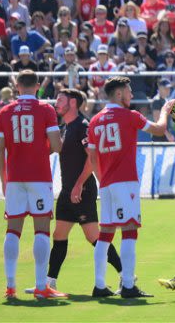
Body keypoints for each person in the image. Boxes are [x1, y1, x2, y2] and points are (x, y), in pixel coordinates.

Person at [77, 75, 173, 298]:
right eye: (128, 92)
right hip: (125, 182)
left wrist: (102, 181)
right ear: (118, 94)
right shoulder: (130, 116)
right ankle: (128, 285)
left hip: (107, 183)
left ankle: (99, 285)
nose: (131, 95)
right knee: (129, 231)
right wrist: (166, 110)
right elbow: (159, 129)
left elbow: (92, 157)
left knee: (106, 234)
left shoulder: (95, 120)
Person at [44, 88, 123, 295]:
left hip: (82, 190)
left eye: (60, 99)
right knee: (59, 235)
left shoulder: (83, 126)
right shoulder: (64, 127)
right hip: (67, 191)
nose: (56, 102)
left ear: (73, 103)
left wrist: (79, 184)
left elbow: (92, 157)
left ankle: (125, 275)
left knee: (94, 237)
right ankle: (50, 282)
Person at [0, 70, 64, 300]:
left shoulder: (5, 112)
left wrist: (4, 178)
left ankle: (10, 287)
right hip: (39, 176)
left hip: (14, 178)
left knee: (13, 230)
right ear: (37, 86)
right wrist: (43, 150)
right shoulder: (45, 109)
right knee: (41, 230)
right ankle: (41, 286)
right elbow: (56, 145)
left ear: (17, 85)